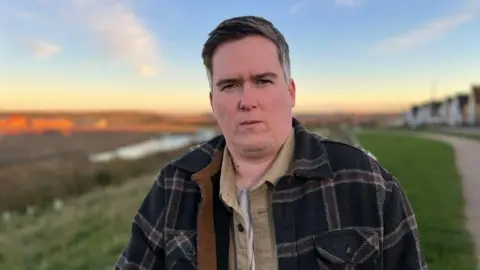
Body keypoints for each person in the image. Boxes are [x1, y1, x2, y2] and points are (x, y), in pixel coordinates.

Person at [114, 15, 427, 270]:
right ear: (213, 102)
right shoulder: (173, 187)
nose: (247, 101)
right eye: (230, 85)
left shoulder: (365, 183)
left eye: (263, 81)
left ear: (290, 92)